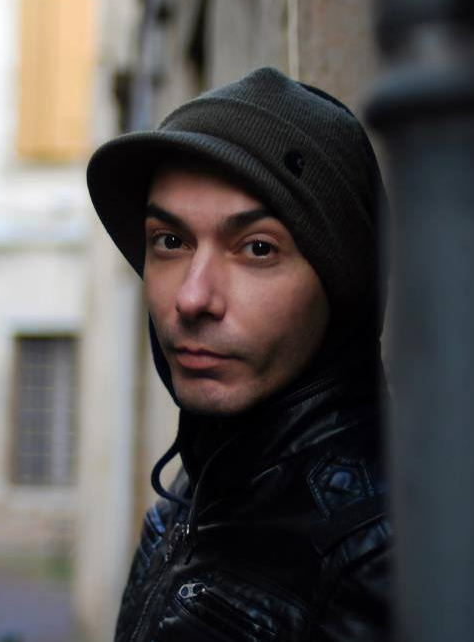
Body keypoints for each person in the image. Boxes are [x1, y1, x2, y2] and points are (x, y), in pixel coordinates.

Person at [87, 67, 392, 642]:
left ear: (342, 283)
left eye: (257, 249)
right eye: (170, 241)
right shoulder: (201, 483)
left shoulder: (379, 555)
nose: (192, 297)